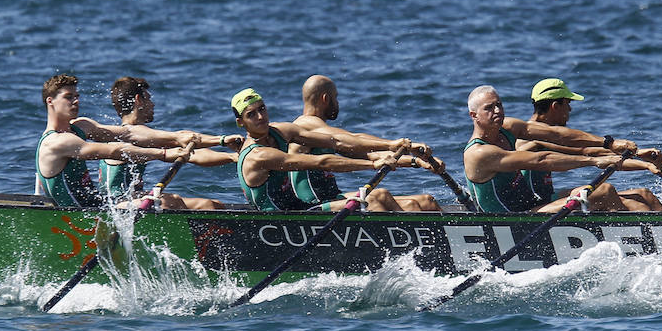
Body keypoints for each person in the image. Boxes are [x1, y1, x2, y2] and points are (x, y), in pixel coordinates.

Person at [232, 88, 431, 212]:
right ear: (241, 122)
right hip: (281, 220)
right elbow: (322, 162)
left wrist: (391, 145)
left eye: (262, 109)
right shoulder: (258, 155)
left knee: (384, 196)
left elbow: (336, 140)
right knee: (371, 202)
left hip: (301, 209)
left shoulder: (281, 131)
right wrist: (373, 164)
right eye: (252, 114)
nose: (260, 117)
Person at [463, 85, 647, 213]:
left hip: (534, 203)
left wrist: (608, 143)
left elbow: (556, 135)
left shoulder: (508, 127)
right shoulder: (479, 153)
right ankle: (634, 243)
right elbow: (540, 160)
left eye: (499, 105)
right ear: (474, 115)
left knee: (642, 193)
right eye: (489, 108)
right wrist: (594, 161)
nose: (497, 111)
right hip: (514, 218)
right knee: (604, 191)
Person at [36, 74, 206, 209]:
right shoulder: (55, 142)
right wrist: (164, 154)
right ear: (50, 101)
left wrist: (176, 138)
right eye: (68, 97)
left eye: (77, 96)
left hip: (97, 206)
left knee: (185, 202)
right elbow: (115, 151)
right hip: (78, 216)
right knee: (170, 202)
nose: (76, 100)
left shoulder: (81, 126)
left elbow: (129, 133)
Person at [290, 75, 441, 211]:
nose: (337, 103)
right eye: (336, 98)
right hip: (311, 206)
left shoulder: (321, 132)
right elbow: (353, 137)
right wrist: (395, 143)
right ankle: (404, 241)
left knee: (425, 201)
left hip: (332, 198)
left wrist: (417, 161)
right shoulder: (306, 124)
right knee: (376, 197)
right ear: (325, 99)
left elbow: (371, 155)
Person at [513, 78, 662, 211]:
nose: (570, 109)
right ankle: (630, 238)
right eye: (568, 103)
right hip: (532, 208)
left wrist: (645, 163)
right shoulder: (529, 139)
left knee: (644, 195)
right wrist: (639, 158)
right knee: (607, 191)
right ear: (555, 106)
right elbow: (587, 152)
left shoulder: (547, 136)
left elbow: (595, 153)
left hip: (548, 197)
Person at [90, 76, 239, 205]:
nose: (153, 104)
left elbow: (192, 154)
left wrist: (232, 157)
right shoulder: (133, 134)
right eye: (148, 98)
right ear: (138, 100)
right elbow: (179, 138)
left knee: (211, 204)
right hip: (118, 205)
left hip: (135, 200)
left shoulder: (140, 136)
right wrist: (222, 140)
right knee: (173, 201)